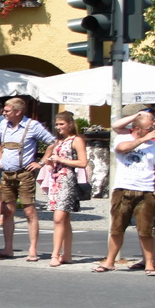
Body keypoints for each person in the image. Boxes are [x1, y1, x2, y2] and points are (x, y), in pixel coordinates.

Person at [95, 110, 155, 274]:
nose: (153, 131)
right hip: (123, 189)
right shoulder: (124, 138)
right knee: (117, 228)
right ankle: (109, 261)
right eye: (149, 128)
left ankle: (149, 263)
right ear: (137, 129)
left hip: (146, 191)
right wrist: (143, 137)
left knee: (145, 230)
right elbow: (122, 149)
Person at [0, 97, 53, 260]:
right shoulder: (3, 124)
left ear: (18, 112)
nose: (4, 113)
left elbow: (52, 142)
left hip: (24, 173)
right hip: (7, 173)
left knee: (29, 210)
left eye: (7, 111)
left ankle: (33, 249)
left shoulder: (32, 126)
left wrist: (41, 162)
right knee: (7, 211)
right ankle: (8, 248)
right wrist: (0, 158)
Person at [40, 111, 90, 267]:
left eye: (61, 124)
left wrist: (61, 159)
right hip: (56, 179)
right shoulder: (58, 141)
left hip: (67, 180)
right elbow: (47, 158)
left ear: (69, 123)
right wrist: (49, 161)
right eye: (56, 124)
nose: (58, 127)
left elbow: (83, 162)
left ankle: (55, 254)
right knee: (65, 220)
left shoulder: (76, 140)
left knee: (58, 218)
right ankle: (67, 254)